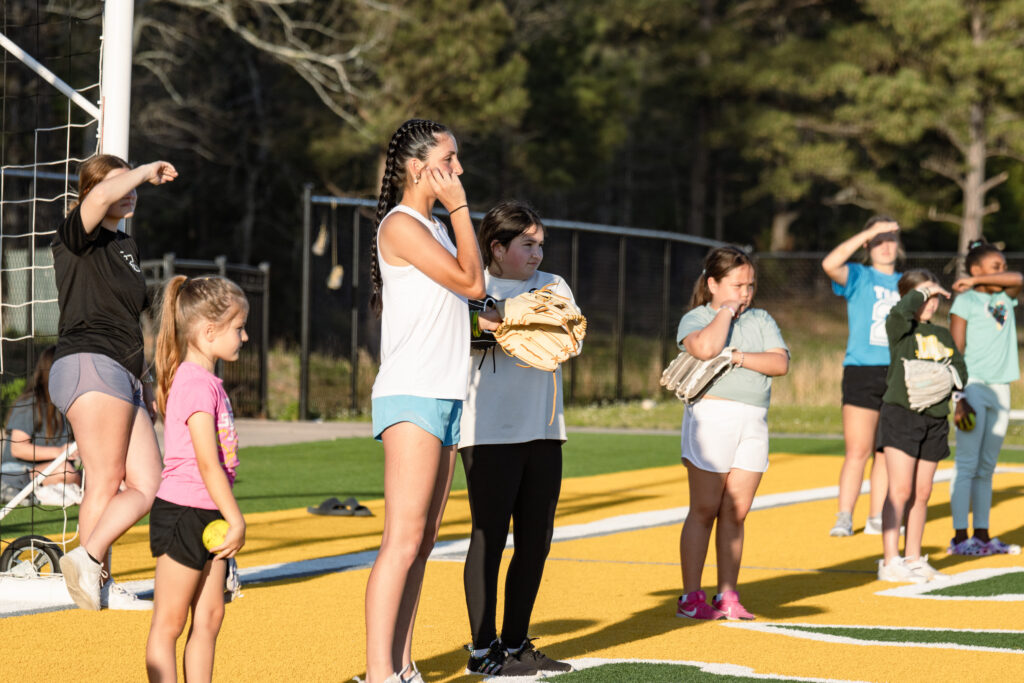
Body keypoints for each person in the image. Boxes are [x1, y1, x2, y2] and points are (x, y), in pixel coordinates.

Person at [364, 119, 487, 683]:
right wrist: (461, 208)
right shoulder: (402, 224)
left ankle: (403, 665)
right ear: (417, 168)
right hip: (412, 392)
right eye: (448, 160)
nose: (458, 169)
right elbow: (472, 283)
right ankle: (379, 673)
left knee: (424, 541)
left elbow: (468, 299)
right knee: (402, 540)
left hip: (446, 392)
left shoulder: (435, 226)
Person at [50, 154, 177, 611]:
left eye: (134, 185)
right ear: (90, 193)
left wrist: (144, 380)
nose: (131, 191)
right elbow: (103, 195)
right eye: (121, 184)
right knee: (104, 480)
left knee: (149, 483)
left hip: (123, 373)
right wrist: (143, 171)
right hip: (88, 362)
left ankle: (88, 561)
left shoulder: (126, 245)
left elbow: (128, 318)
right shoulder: (75, 235)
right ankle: (95, 583)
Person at [458, 201, 575, 676]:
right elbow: (468, 335)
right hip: (485, 433)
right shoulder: (468, 287)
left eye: (540, 244)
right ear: (497, 247)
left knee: (535, 542)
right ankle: (482, 650)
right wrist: (512, 319)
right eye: (527, 244)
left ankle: (515, 642)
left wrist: (500, 317)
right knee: (489, 538)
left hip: (545, 431)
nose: (537, 254)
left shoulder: (554, 285)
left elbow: (566, 334)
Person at [675, 247, 789, 620]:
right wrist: (724, 311)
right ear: (712, 284)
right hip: (712, 419)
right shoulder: (697, 318)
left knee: (736, 512)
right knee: (705, 508)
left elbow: (779, 363)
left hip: (753, 421)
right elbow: (707, 348)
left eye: (750, 285)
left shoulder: (761, 318)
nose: (746, 293)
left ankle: (727, 595)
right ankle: (691, 597)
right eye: (737, 285)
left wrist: (737, 357)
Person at [145, 275, 248, 683]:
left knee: (209, 617)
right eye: (238, 328)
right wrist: (236, 518)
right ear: (209, 332)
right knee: (169, 623)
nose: (244, 336)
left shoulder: (209, 383)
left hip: (208, 512)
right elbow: (207, 463)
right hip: (184, 512)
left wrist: (224, 515)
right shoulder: (193, 384)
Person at [876, 270, 968, 583]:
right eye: (924, 296)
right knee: (900, 489)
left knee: (922, 492)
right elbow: (900, 311)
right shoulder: (900, 327)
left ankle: (914, 558)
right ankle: (890, 560)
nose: (930, 303)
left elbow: (960, 369)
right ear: (909, 297)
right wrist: (925, 290)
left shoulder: (942, 334)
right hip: (902, 415)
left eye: (934, 297)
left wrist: (947, 378)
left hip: (935, 418)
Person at [822, 216, 902, 537]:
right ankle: (844, 515)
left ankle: (877, 516)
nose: (885, 246)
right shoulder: (859, 276)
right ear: (868, 244)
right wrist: (869, 231)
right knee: (858, 450)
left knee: (886, 451)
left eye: (890, 239)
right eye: (878, 240)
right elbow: (830, 263)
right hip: (862, 371)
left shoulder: (907, 283)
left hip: (897, 373)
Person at [948, 242, 1023, 556]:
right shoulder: (965, 301)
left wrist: (979, 280)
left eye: (1002, 266)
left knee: (987, 466)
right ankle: (959, 538)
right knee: (967, 464)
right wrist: (958, 395)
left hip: (1001, 388)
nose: (1002, 272)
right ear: (975, 268)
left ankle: (982, 535)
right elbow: (956, 350)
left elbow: (1018, 278)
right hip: (974, 386)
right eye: (995, 267)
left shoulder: (1004, 297)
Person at [2, 346, 81, 507]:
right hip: (17, 472)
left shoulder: (68, 405)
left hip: (53, 470)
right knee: (66, 471)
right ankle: (13, 490)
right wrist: (60, 452)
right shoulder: (30, 404)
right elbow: (18, 448)